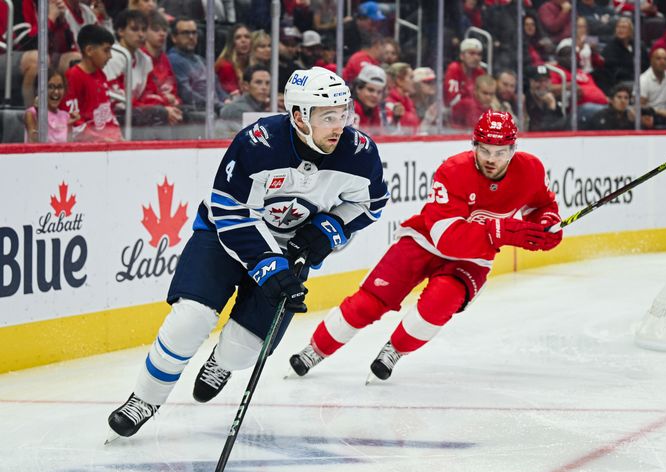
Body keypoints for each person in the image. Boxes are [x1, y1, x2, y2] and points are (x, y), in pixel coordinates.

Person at [106, 66, 388, 441]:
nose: (340, 125)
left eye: (343, 113)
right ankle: (144, 400)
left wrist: (330, 230)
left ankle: (221, 364)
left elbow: (370, 204)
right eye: (328, 116)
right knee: (190, 319)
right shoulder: (257, 143)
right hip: (223, 238)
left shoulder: (359, 152)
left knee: (246, 348)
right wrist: (266, 262)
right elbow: (228, 209)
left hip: (290, 249)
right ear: (300, 116)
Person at [286, 110, 562, 382]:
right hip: (422, 242)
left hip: (473, 259)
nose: (491, 159)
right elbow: (446, 238)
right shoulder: (453, 170)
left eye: (500, 152)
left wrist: (547, 220)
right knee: (370, 301)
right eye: (485, 150)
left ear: (513, 149)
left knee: (441, 301)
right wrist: (502, 232)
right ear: (474, 145)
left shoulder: (531, 169)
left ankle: (394, 351)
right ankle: (315, 350)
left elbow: (540, 204)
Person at [61, 24, 123, 142]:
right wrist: (101, 139)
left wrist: (119, 137)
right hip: (87, 148)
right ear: (89, 50)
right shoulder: (73, 76)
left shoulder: (101, 74)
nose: (110, 56)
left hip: (106, 142)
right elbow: (72, 121)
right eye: (106, 50)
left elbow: (107, 112)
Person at [168, 17, 229, 111]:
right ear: (174, 38)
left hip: (216, 108)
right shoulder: (174, 60)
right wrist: (217, 105)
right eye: (185, 33)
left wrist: (227, 100)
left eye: (194, 32)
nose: (191, 37)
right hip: (200, 112)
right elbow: (186, 94)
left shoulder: (201, 60)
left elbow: (217, 87)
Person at [24, 70, 78, 143]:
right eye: (50, 87)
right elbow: (33, 143)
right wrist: (39, 114)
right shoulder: (32, 113)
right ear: (40, 90)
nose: (56, 92)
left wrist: (71, 126)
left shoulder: (66, 116)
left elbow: (69, 147)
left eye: (60, 87)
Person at [215, 23, 252, 96]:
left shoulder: (251, 64)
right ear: (231, 42)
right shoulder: (225, 66)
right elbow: (234, 95)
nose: (243, 40)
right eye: (238, 37)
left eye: (247, 37)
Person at [352, 64, 387, 135]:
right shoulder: (352, 108)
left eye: (379, 92)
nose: (375, 95)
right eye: (370, 90)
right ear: (358, 88)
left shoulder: (375, 110)